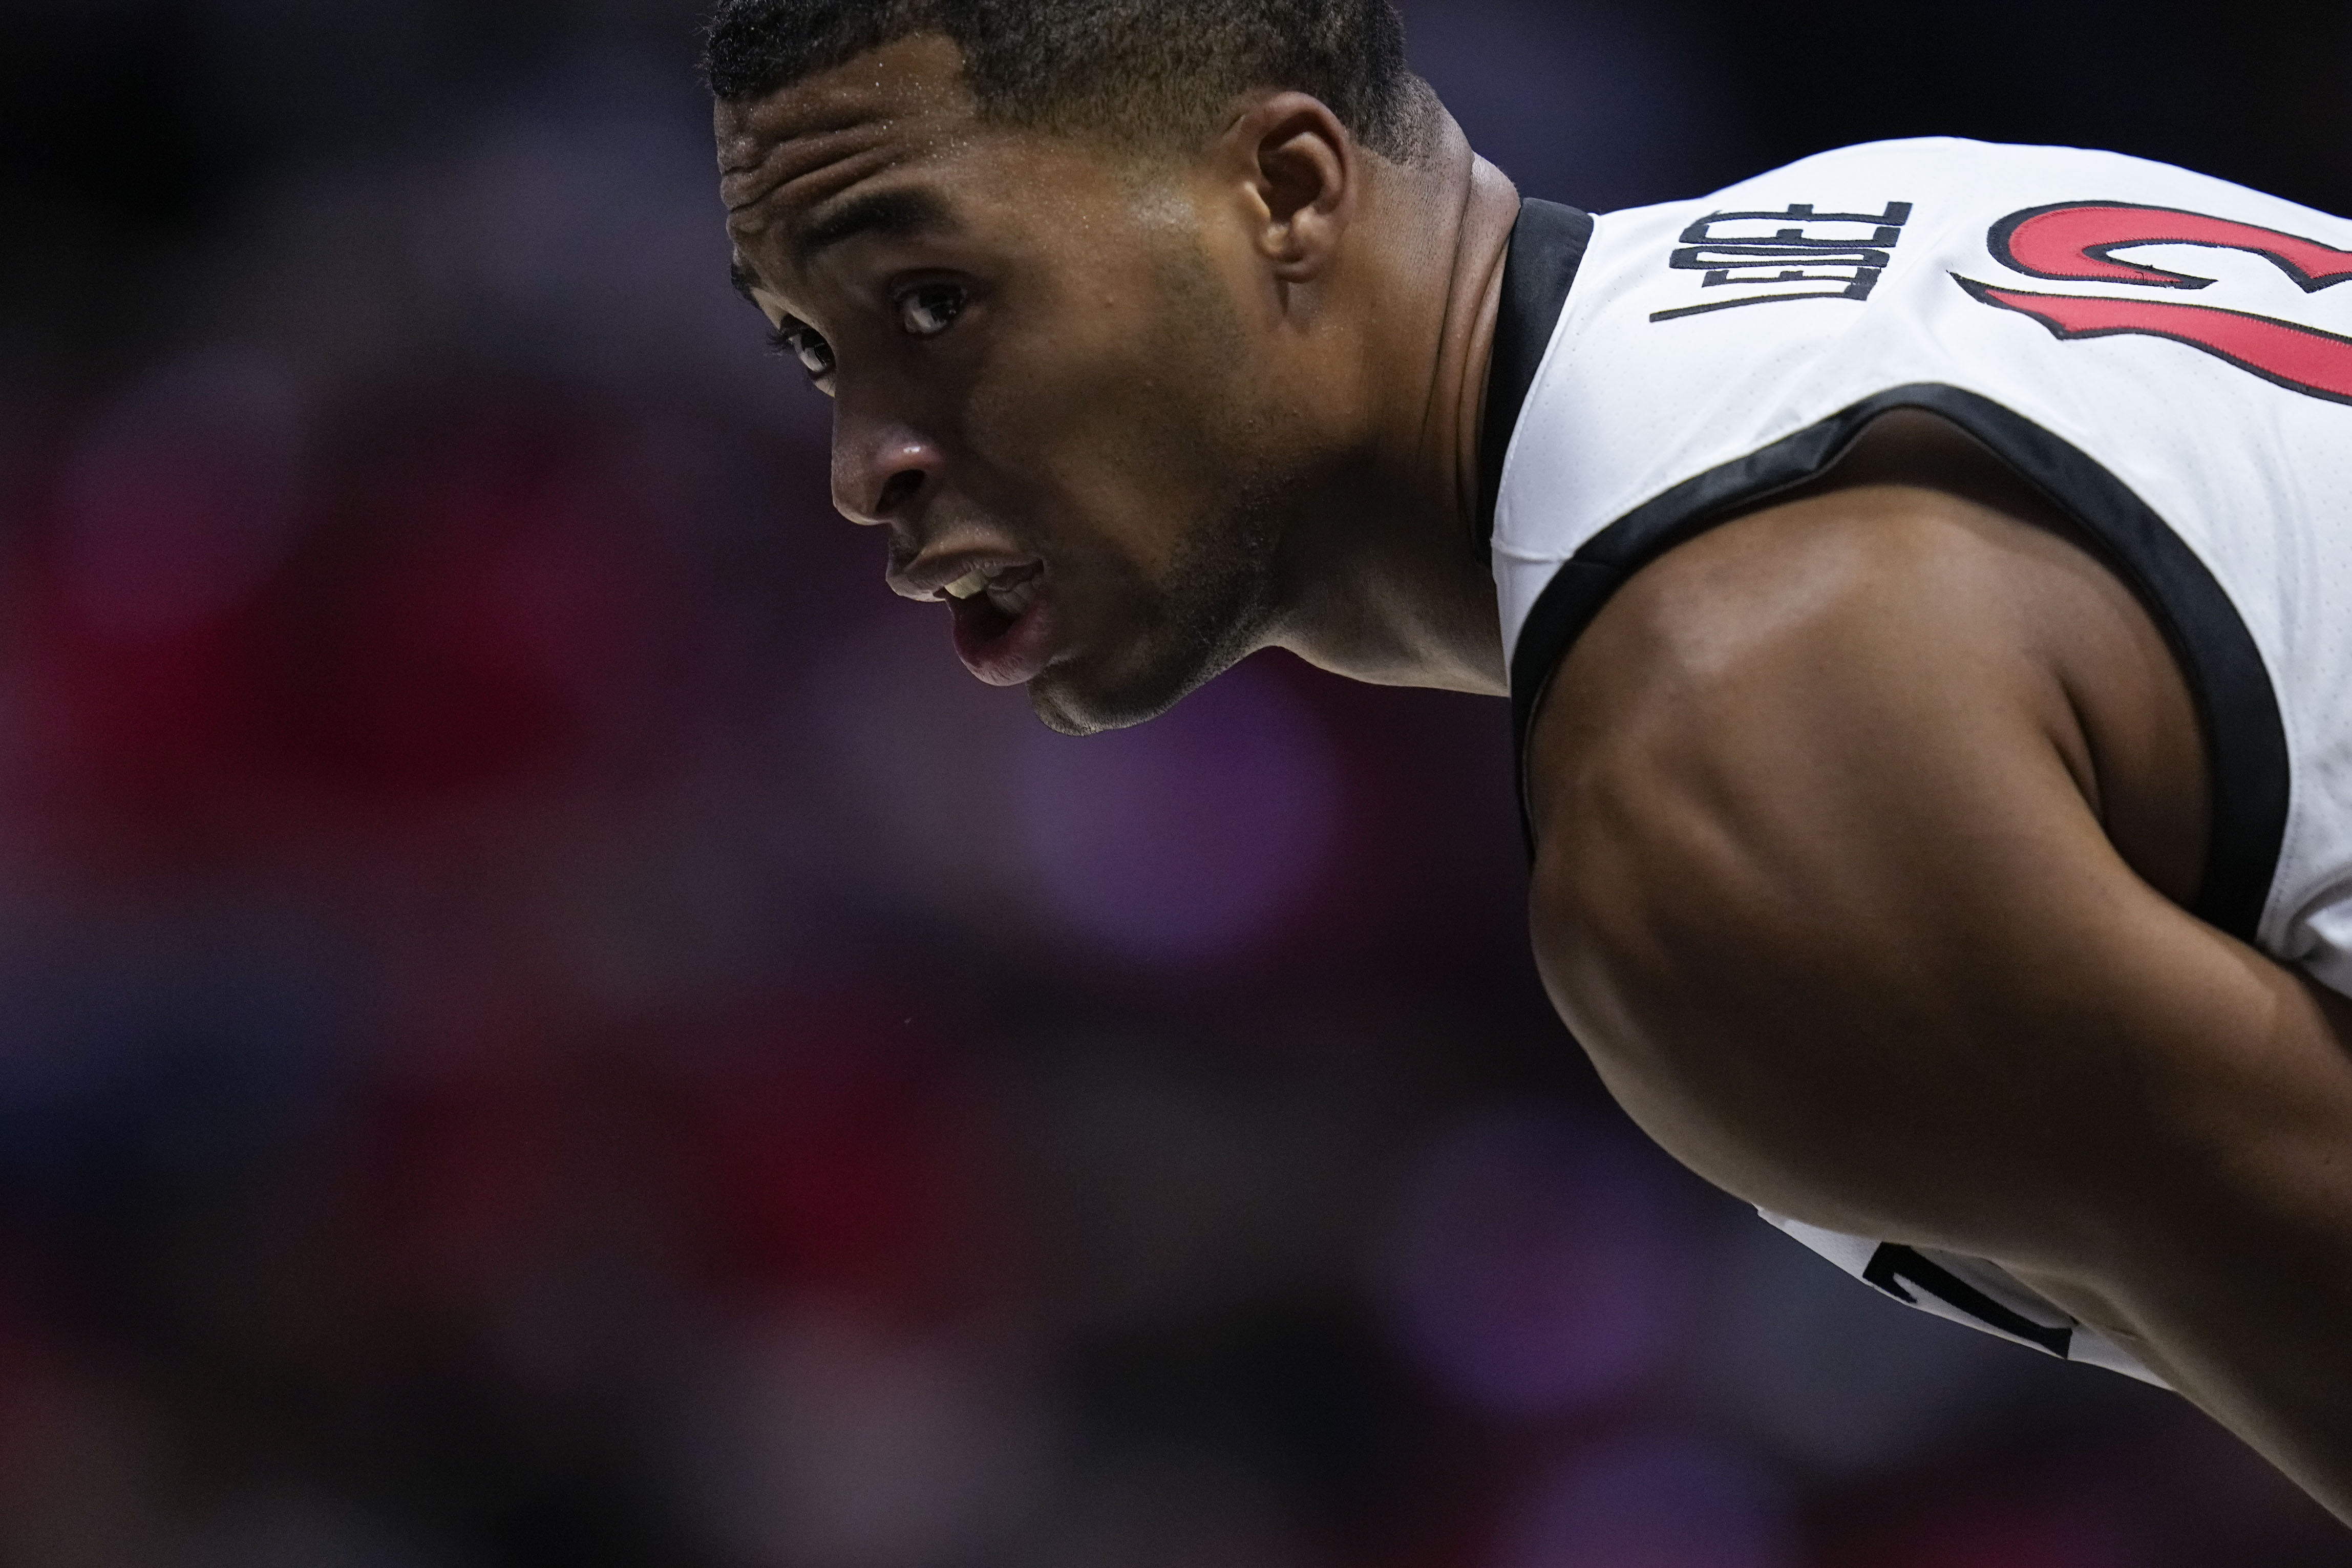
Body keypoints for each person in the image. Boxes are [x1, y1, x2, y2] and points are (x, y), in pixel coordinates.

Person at [704, 0, 2352, 1521]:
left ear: (1284, 191)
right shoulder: (1877, 227)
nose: (866, 467)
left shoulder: (1724, 766)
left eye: (935, 302)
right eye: (814, 351)